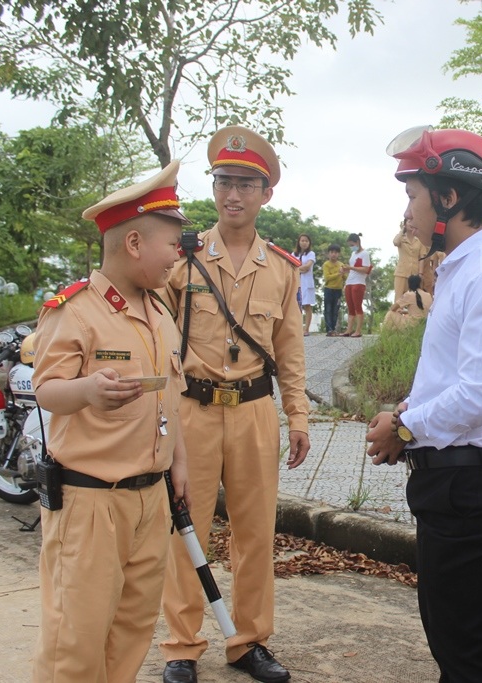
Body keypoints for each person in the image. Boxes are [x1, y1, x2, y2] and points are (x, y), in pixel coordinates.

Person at [366, 126, 482, 683]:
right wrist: (409, 415)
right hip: (452, 482)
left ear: (450, 197)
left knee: (465, 648)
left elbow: (480, 395)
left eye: (413, 195)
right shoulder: (462, 273)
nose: (407, 212)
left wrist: (405, 427)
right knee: (450, 634)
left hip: (468, 483)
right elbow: (454, 379)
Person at [31, 161, 191, 683]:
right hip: (90, 500)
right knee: (75, 637)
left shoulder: (160, 313)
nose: (178, 254)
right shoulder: (73, 311)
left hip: (150, 498)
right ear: (136, 244)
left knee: (132, 629)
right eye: (172, 243)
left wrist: (179, 464)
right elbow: (47, 390)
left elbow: (172, 398)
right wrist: (88, 392)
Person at [160, 126, 310, 683]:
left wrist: (297, 415)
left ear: (265, 194)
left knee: (255, 533)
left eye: (246, 184)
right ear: (215, 187)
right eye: (225, 181)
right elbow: (160, 343)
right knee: (186, 529)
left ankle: (249, 642)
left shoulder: (282, 269)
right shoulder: (183, 260)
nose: (234, 194)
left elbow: (290, 349)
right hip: (193, 411)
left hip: (253, 411)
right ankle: (181, 645)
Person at [340, 233, 372, 338]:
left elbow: (366, 269)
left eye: (352, 244)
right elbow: (352, 267)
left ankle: (358, 330)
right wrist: (345, 270)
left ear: (357, 242)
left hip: (359, 282)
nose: (351, 247)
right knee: (350, 307)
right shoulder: (353, 254)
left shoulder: (365, 253)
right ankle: (349, 329)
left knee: (358, 306)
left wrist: (351, 268)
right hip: (349, 282)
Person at [393, 218, 425, 300]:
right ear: (405, 224)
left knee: (414, 298)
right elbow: (395, 242)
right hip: (401, 272)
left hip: (414, 273)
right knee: (399, 298)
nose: (411, 224)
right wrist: (402, 230)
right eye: (409, 221)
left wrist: (420, 274)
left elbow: (422, 257)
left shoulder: (419, 239)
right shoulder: (401, 238)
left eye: (413, 221)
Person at [292, 234, 316, 336]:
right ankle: (297, 328)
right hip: (297, 281)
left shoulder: (311, 254)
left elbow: (307, 267)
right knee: (296, 305)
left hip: (307, 283)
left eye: (306, 241)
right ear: (299, 242)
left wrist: (297, 268)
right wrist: (300, 269)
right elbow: (290, 266)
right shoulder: (294, 254)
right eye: (302, 240)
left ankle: (306, 329)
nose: (304, 243)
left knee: (307, 305)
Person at [322, 244, 344, 335]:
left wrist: (345, 272)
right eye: (331, 252)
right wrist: (338, 274)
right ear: (328, 254)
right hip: (329, 290)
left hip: (338, 290)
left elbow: (345, 277)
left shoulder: (341, 265)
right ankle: (329, 330)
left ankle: (333, 329)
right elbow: (327, 277)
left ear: (338, 254)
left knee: (336, 310)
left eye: (335, 252)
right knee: (328, 309)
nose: (333, 254)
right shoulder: (326, 264)